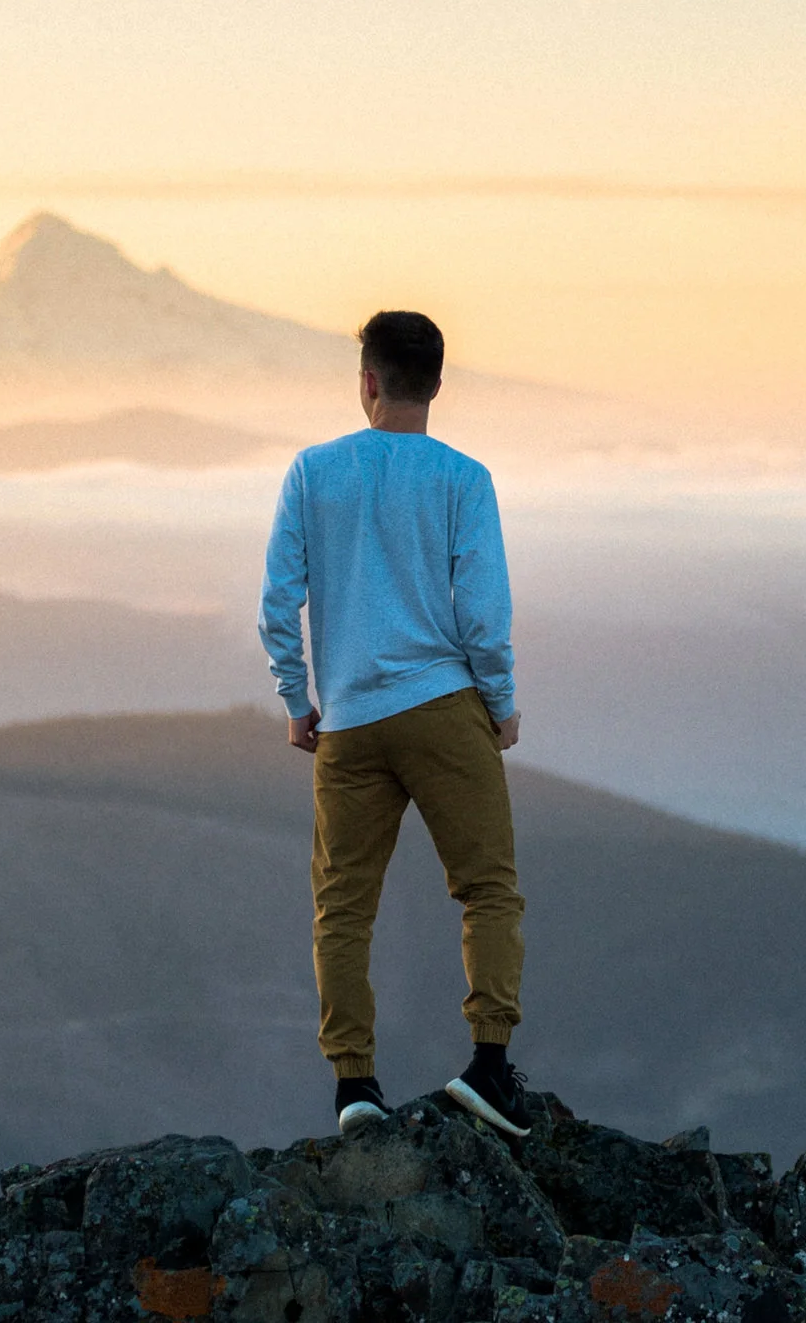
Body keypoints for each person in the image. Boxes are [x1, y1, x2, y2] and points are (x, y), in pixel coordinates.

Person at [258, 310, 532, 1138]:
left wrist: (298, 699)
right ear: (438, 384)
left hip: (347, 721)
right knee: (487, 888)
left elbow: (278, 603)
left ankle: (354, 1087)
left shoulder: (314, 472)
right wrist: (502, 703)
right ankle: (488, 1065)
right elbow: (482, 614)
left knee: (342, 908)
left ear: (367, 380)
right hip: (443, 707)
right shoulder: (462, 478)